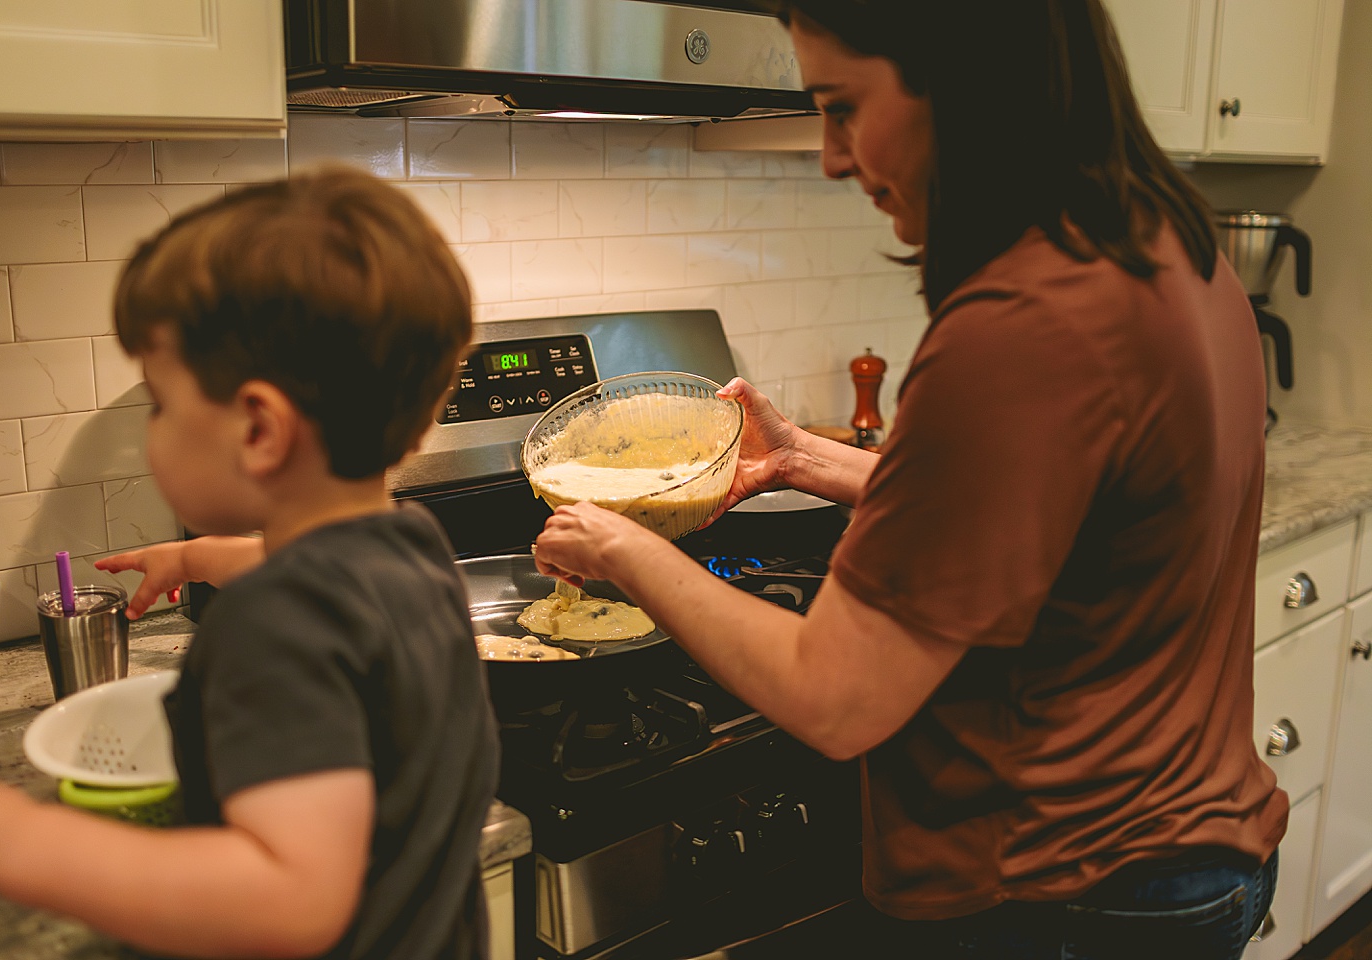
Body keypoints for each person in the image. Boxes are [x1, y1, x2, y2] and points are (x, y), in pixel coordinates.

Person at [529, 2, 1285, 957]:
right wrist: (802, 456)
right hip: (1183, 844)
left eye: (843, 106)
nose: (833, 156)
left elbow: (836, 699)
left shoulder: (1017, 327)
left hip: (1069, 886)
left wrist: (621, 544)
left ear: (967, 84)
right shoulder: (1159, 245)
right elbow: (1035, 510)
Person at [0, 168, 499, 960]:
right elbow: (334, 587)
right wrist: (201, 557)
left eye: (162, 402)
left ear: (259, 431)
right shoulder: (413, 545)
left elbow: (293, 898)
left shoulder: (274, 624)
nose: (153, 426)